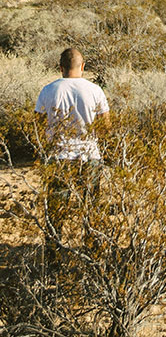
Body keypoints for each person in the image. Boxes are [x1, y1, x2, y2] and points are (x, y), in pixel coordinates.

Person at [35, 48, 110, 253]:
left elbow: (38, 125)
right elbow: (106, 127)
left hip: (58, 156)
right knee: (91, 206)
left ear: (60, 68)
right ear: (82, 67)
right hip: (89, 156)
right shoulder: (96, 90)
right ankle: (91, 250)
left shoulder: (48, 90)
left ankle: (53, 255)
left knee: (56, 211)